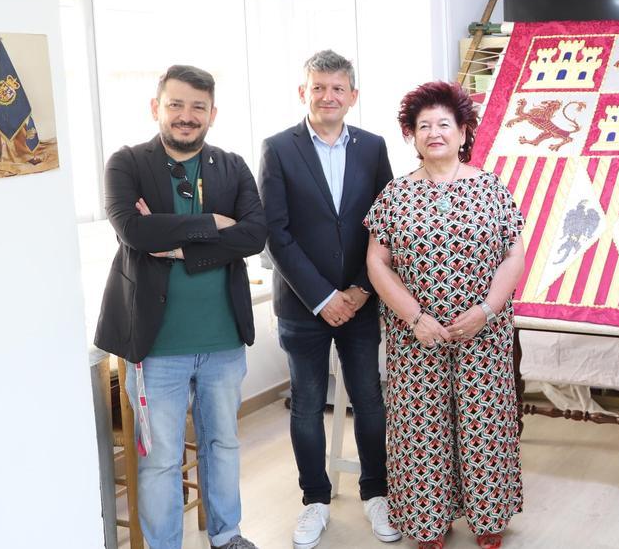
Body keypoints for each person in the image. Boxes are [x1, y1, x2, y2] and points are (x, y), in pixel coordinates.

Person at [95, 64, 267, 549]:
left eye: (198, 106)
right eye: (176, 104)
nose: (186, 116)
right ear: (157, 107)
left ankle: (227, 535)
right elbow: (133, 231)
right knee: (161, 459)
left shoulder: (231, 165)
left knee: (224, 445)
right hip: (155, 346)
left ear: (213, 113)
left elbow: (255, 235)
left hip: (223, 341)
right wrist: (215, 221)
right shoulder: (126, 163)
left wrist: (176, 244)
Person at [364, 81, 525, 549]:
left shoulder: (491, 187)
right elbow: (377, 262)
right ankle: (429, 521)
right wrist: (415, 317)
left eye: (443, 124)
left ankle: (489, 516)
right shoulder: (394, 196)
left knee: (484, 422)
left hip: (483, 331)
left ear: (462, 131)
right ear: (411, 136)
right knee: (421, 426)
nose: (434, 133)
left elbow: (514, 255)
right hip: (416, 335)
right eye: (423, 126)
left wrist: (486, 310)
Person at [258, 50, 398, 547]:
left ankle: (376, 495)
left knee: (370, 400)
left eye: (338, 88)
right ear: (304, 93)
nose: (328, 96)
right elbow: (275, 232)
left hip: (362, 301)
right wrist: (322, 297)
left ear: (353, 95)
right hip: (302, 306)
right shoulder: (277, 148)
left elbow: (386, 224)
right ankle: (314, 501)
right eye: (318, 87)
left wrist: (360, 288)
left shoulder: (373, 147)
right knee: (307, 405)